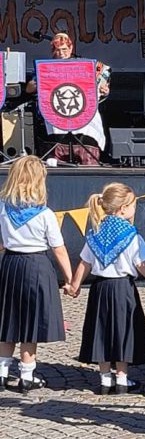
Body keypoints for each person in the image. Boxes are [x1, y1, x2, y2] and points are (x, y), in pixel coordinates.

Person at [63, 183, 145, 395]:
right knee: (124, 330)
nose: (134, 209)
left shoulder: (96, 232)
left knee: (101, 330)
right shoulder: (131, 234)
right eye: (133, 205)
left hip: (100, 288)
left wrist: (75, 285)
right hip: (123, 289)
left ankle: (104, 379)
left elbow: (84, 263)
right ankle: (122, 378)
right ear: (122, 208)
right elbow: (141, 264)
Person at [0, 156, 72, 393]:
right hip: (37, 267)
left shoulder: (2, 208)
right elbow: (58, 249)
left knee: (8, 320)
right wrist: (70, 278)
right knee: (30, 323)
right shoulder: (45, 214)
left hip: (10, 265)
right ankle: (27, 375)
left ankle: (1, 372)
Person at [31, 32, 110, 165]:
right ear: (53, 51)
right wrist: (41, 81)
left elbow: (102, 87)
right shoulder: (46, 69)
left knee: (88, 161)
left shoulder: (87, 67)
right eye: (58, 50)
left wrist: (105, 90)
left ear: (71, 48)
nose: (62, 53)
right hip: (57, 119)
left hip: (85, 121)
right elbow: (29, 88)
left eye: (64, 49)